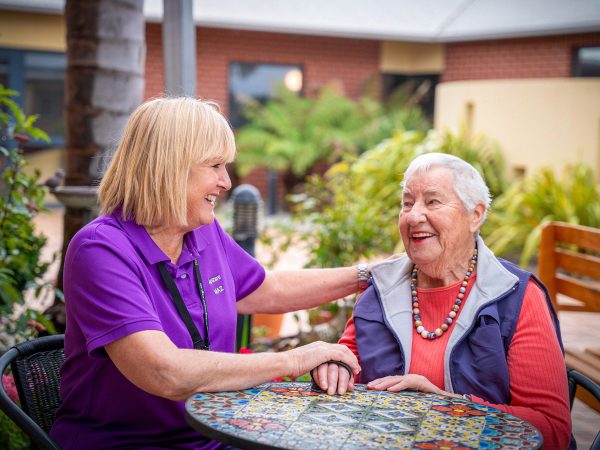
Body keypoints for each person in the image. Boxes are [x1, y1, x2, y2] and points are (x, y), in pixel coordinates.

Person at [50, 97, 362, 450]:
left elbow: (267, 290)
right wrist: (297, 358)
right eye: (215, 165)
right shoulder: (100, 249)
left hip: (214, 436)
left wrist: (366, 275)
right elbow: (164, 372)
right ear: (169, 166)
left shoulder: (201, 232)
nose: (226, 181)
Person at [312, 153, 572, 449]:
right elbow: (347, 358)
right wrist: (335, 366)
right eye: (407, 203)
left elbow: (552, 431)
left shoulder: (516, 296)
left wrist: (446, 406)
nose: (413, 216)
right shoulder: (381, 286)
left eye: (432, 201)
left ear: (475, 215)